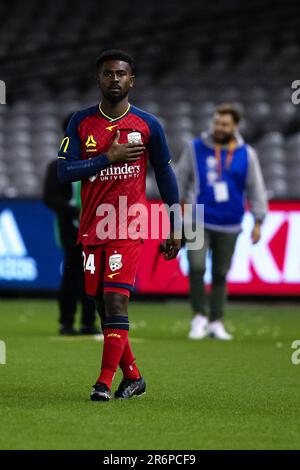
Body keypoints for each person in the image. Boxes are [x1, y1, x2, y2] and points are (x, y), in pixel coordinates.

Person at [57, 49, 181, 401]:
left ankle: (102, 383)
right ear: (98, 79)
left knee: (114, 301)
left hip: (127, 224)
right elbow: (63, 172)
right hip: (92, 227)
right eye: (108, 73)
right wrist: (104, 158)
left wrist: (176, 223)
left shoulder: (148, 124)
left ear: (132, 80)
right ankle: (134, 376)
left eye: (121, 73)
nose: (115, 79)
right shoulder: (81, 122)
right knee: (99, 302)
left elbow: (165, 171)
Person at [176, 103, 268, 340]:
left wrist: (258, 220)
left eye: (225, 124)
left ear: (234, 127)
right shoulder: (195, 148)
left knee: (220, 273)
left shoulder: (246, 153)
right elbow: (179, 180)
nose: (219, 127)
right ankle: (198, 317)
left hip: (230, 223)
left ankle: (216, 321)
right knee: (196, 267)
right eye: (217, 122)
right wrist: (175, 214)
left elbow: (255, 187)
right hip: (198, 218)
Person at [43, 115, 97, 336]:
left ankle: (87, 322)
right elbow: (50, 197)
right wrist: (75, 211)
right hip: (71, 227)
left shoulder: (95, 163)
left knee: (91, 274)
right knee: (73, 272)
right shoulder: (58, 166)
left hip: (95, 227)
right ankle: (66, 322)